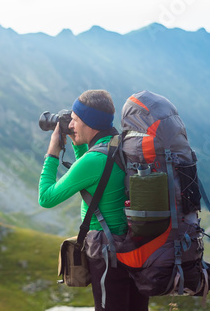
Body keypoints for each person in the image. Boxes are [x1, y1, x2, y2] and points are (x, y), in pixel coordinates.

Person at [38, 90, 149, 311]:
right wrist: (78, 143)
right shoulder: (120, 145)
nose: (71, 125)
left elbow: (46, 197)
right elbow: (98, 179)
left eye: (76, 120)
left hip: (109, 256)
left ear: (90, 123)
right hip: (136, 250)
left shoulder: (93, 160)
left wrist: (52, 151)